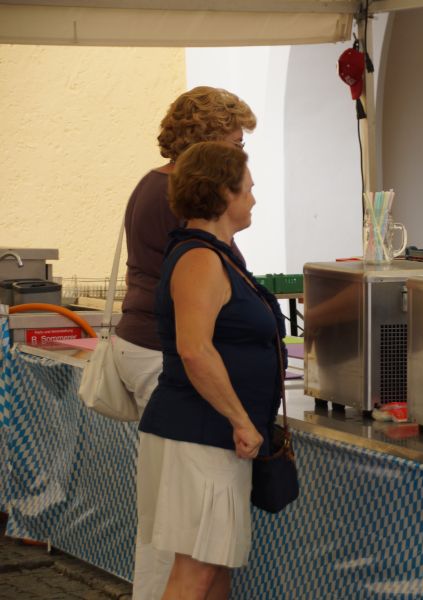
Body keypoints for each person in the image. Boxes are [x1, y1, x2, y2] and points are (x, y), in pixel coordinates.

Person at [111, 86, 256, 600]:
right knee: (178, 542)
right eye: (235, 144)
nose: (240, 156)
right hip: (163, 358)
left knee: (184, 536)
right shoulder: (187, 216)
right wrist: (240, 417)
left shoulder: (153, 184)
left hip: (149, 349)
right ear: (208, 141)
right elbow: (195, 343)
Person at [137, 141, 286, 599]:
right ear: (224, 193)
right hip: (200, 433)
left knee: (216, 567)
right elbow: (195, 350)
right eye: (248, 189)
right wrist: (241, 420)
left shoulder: (214, 255)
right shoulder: (199, 260)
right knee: (196, 572)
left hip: (212, 435)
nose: (254, 199)